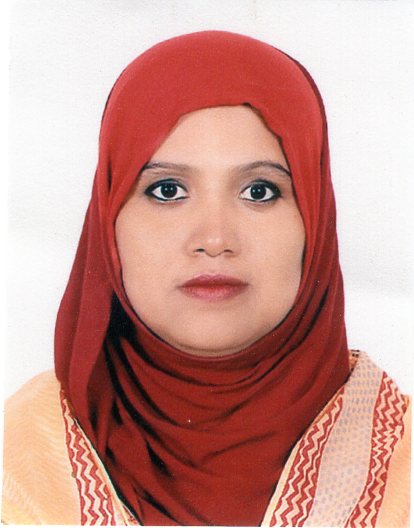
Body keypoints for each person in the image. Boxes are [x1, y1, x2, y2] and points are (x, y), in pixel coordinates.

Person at [2, 31, 410, 527]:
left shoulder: (402, 467)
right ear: (108, 221)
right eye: (167, 190)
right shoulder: (16, 460)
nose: (214, 239)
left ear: (316, 220)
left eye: (259, 191)